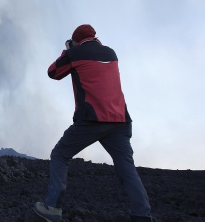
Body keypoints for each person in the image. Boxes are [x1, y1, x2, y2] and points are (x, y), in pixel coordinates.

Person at [33, 24, 153, 222]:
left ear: (76, 41)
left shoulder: (76, 53)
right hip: (120, 121)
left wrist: (68, 50)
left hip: (92, 120)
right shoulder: (111, 53)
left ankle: (52, 209)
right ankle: (142, 216)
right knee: (127, 169)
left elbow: (52, 72)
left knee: (60, 155)